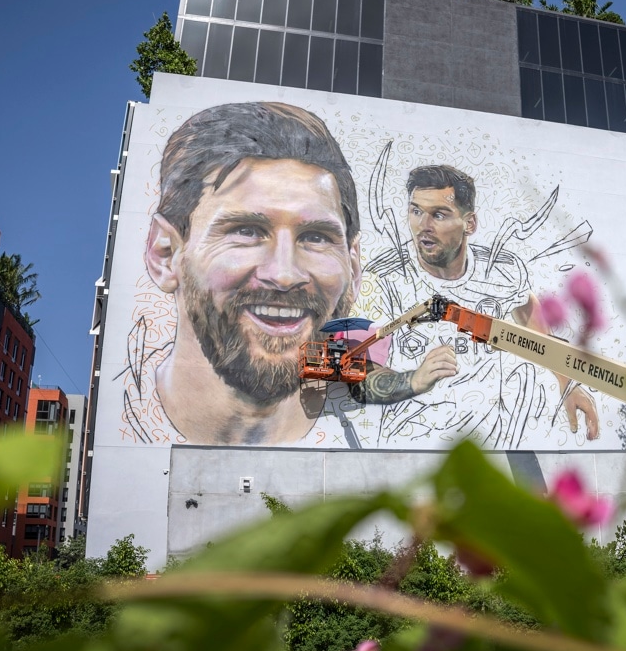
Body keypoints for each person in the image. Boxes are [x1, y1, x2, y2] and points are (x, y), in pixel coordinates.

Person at [126, 102, 455, 446]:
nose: (284, 275)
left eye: (315, 237)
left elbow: (366, 379)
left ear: (354, 266)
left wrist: (415, 380)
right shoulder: (121, 438)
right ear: (165, 254)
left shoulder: (335, 376)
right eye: (247, 231)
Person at [363, 164, 600, 447]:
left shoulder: (503, 270)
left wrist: (567, 383)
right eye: (416, 211)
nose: (423, 226)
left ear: (469, 224)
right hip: (410, 449)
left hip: (488, 452)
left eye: (439, 214)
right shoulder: (384, 277)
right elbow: (361, 374)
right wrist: (414, 380)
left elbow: (534, 325)